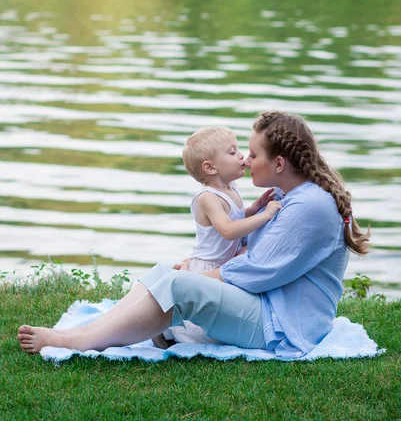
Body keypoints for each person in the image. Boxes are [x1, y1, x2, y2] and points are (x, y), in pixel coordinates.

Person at [18, 111, 370, 359]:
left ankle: (83, 342)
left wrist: (197, 276)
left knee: (178, 284)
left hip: (282, 324)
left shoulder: (309, 205)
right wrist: (196, 268)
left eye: (254, 153)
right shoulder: (284, 195)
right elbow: (254, 252)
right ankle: (87, 333)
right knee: (164, 271)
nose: (247, 160)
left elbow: (257, 273)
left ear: (279, 164)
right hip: (267, 306)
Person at [152, 125, 282, 348]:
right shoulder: (207, 198)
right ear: (210, 167)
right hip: (208, 265)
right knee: (201, 322)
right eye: (232, 152)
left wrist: (254, 208)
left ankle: (170, 326)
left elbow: (236, 216)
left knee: (222, 309)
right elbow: (229, 230)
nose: (241, 155)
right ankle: (168, 331)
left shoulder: (230, 188)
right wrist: (266, 215)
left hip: (226, 263)